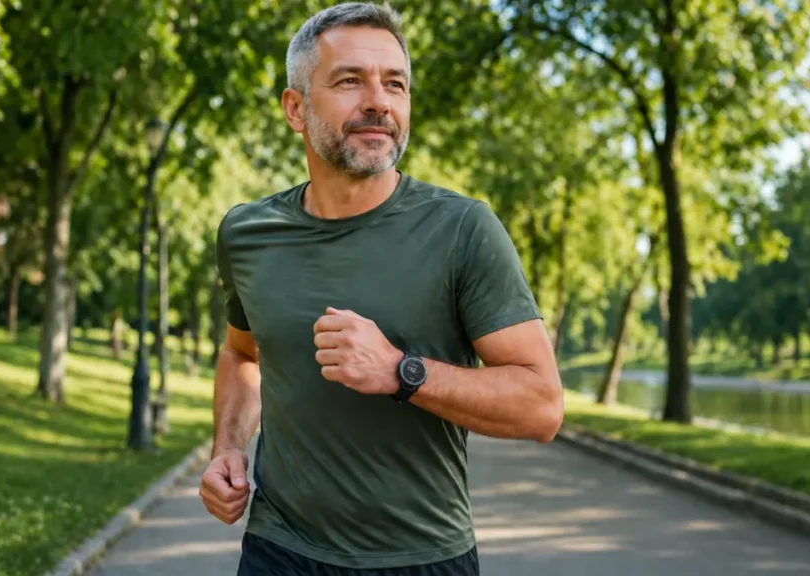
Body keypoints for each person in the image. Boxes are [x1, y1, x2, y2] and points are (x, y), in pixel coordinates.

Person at [199, 2, 564, 574]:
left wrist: (402, 372)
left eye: (394, 84)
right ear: (295, 108)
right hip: (278, 551)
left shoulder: (464, 230)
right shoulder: (247, 233)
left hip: (421, 558)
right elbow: (242, 354)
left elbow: (541, 406)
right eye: (350, 81)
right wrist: (227, 448)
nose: (378, 101)